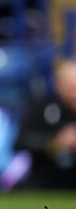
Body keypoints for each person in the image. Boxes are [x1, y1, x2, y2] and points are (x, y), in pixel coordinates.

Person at [15, 58, 76, 189]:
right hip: (44, 184)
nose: (74, 95)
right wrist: (53, 142)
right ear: (58, 85)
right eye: (70, 89)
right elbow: (21, 141)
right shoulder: (42, 108)